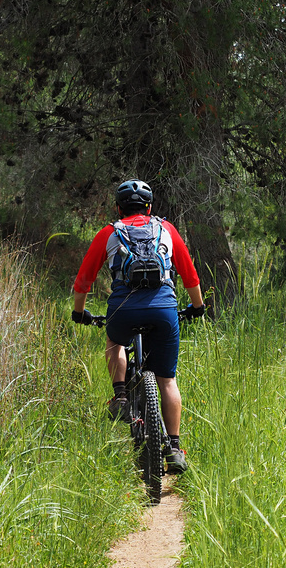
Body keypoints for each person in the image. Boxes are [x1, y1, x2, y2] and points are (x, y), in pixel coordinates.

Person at [71, 179, 205, 473]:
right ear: (149, 207)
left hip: (123, 310)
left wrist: (79, 312)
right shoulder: (166, 230)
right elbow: (190, 275)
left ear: (119, 208)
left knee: (115, 341)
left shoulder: (109, 232)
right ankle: (173, 446)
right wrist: (197, 307)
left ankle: (120, 396)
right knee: (167, 380)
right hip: (164, 310)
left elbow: (83, 279)